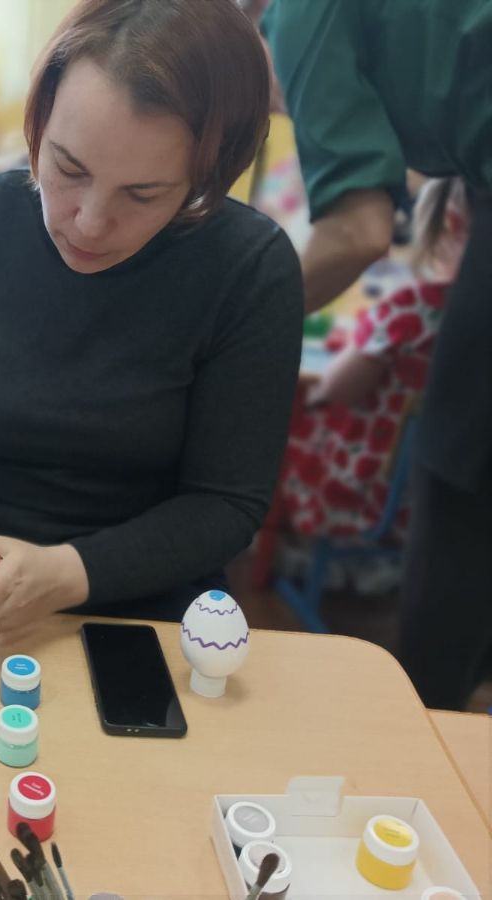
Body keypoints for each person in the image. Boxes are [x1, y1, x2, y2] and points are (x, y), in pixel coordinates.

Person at [0, 0, 303, 635]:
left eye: (143, 194)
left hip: (143, 589)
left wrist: (65, 573)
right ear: (39, 119)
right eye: (68, 168)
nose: (90, 223)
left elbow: (225, 503)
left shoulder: (249, 271)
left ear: (208, 174)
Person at [263, 0, 491, 710]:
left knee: (454, 479)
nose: (285, 110)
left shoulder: (296, 13)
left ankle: (426, 728)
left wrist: (232, 327)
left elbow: (357, 231)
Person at [279, 180, 467, 569]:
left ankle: (281, 552)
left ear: (446, 224)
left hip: (362, 488)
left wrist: (346, 354)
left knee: (287, 418)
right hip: (434, 494)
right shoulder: (472, 316)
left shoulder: (412, 306)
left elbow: (338, 388)